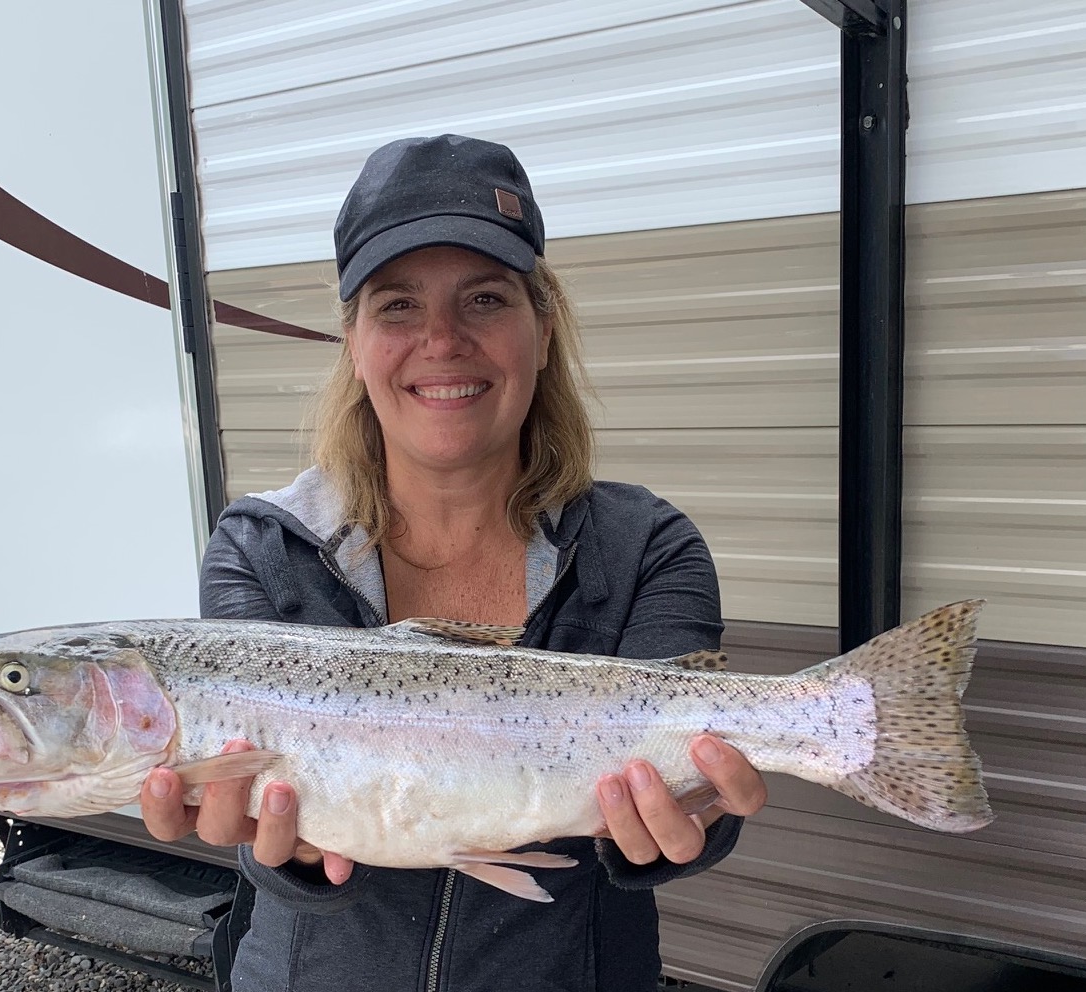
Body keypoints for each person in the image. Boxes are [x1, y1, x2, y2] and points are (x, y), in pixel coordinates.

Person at [140, 133, 768, 992]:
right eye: (397, 305)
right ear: (354, 344)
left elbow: (691, 784)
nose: (441, 339)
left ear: (542, 332)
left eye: (484, 299)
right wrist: (274, 850)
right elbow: (270, 826)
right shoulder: (260, 549)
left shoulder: (646, 546)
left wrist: (694, 818)